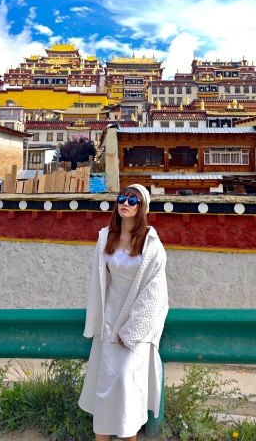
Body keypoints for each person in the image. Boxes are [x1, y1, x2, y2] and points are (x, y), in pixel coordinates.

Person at [79, 184, 169, 441]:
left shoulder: (152, 244)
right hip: (109, 318)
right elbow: (98, 282)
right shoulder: (106, 237)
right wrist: (97, 319)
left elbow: (155, 293)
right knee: (105, 383)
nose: (125, 203)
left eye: (133, 200)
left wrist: (131, 331)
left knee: (128, 385)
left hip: (135, 323)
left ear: (143, 207)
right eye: (121, 198)